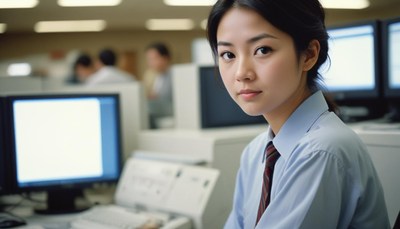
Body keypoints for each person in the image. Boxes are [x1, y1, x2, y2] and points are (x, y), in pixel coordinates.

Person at [206, 0, 390, 228]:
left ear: (309, 55)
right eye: (227, 54)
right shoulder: (255, 153)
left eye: (262, 50)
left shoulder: (322, 150)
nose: (242, 73)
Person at [144, 42, 173, 128]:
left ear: (165, 58)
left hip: (170, 121)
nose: (150, 63)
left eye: (153, 59)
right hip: (159, 119)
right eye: (148, 59)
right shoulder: (156, 76)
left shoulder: (174, 76)